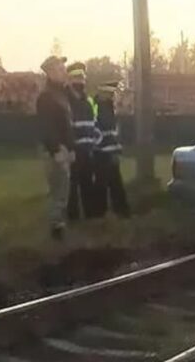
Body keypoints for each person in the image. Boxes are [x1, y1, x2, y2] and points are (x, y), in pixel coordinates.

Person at [36, 55, 74, 240]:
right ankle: (56, 230)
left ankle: (59, 225)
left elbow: (67, 125)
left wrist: (71, 148)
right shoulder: (46, 97)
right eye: (59, 68)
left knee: (63, 190)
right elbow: (47, 127)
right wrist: (56, 149)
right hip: (55, 150)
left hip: (64, 148)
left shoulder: (62, 94)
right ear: (50, 72)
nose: (64, 71)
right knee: (58, 191)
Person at [66, 61, 101, 221]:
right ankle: (72, 217)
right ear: (70, 80)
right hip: (73, 150)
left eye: (82, 77)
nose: (80, 81)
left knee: (88, 183)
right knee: (72, 186)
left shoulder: (89, 101)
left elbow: (93, 123)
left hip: (88, 148)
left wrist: (95, 142)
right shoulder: (66, 100)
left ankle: (91, 215)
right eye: (76, 77)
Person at [92, 80, 131, 218]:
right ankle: (103, 212)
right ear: (107, 94)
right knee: (105, 183)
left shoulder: (104, 107)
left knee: (112, 183)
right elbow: (108, 131)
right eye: (113, 93)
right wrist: (113, 151)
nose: (115, 96)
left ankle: (116, 210)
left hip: (105, 151)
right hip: (104, 153)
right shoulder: (104, 108)